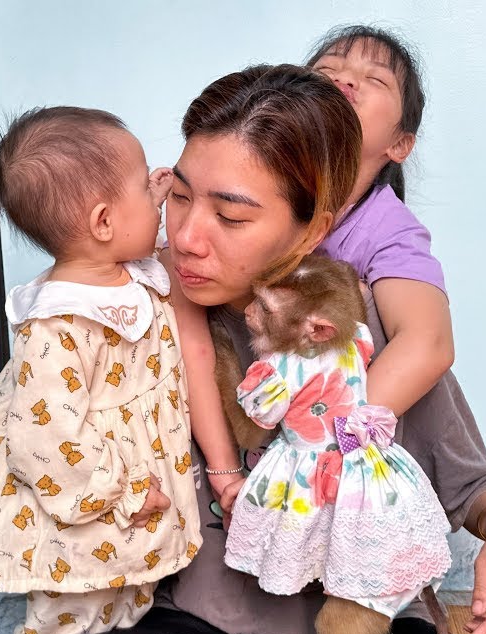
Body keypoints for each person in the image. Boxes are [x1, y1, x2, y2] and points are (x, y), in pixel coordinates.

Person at [0, 67, 486, 634]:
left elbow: (476, 487)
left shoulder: (362, 327)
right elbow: (25, 440)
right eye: (179, 197)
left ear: (309, 230)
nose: (188, 236)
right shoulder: (125, 316)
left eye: (230, 214)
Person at [0, 106, 201, 634]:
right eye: (143, 185)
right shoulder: (60, 325)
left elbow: (136, 234)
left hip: (128, 493)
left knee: (123, 597)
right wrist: (126, 491)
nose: (156, 197)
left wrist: (150, 199)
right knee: (73, 612)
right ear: (105, 222)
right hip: (90, 495)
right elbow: (46, 443)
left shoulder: (124, 271)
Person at [184, 27, 459, 526]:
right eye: (329, 71)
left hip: (314, 435)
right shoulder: (240, 179)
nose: (345, 82)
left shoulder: (386, 228)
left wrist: (323, 438)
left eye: (373, 80)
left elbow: (429, 343)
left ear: (400, 143)